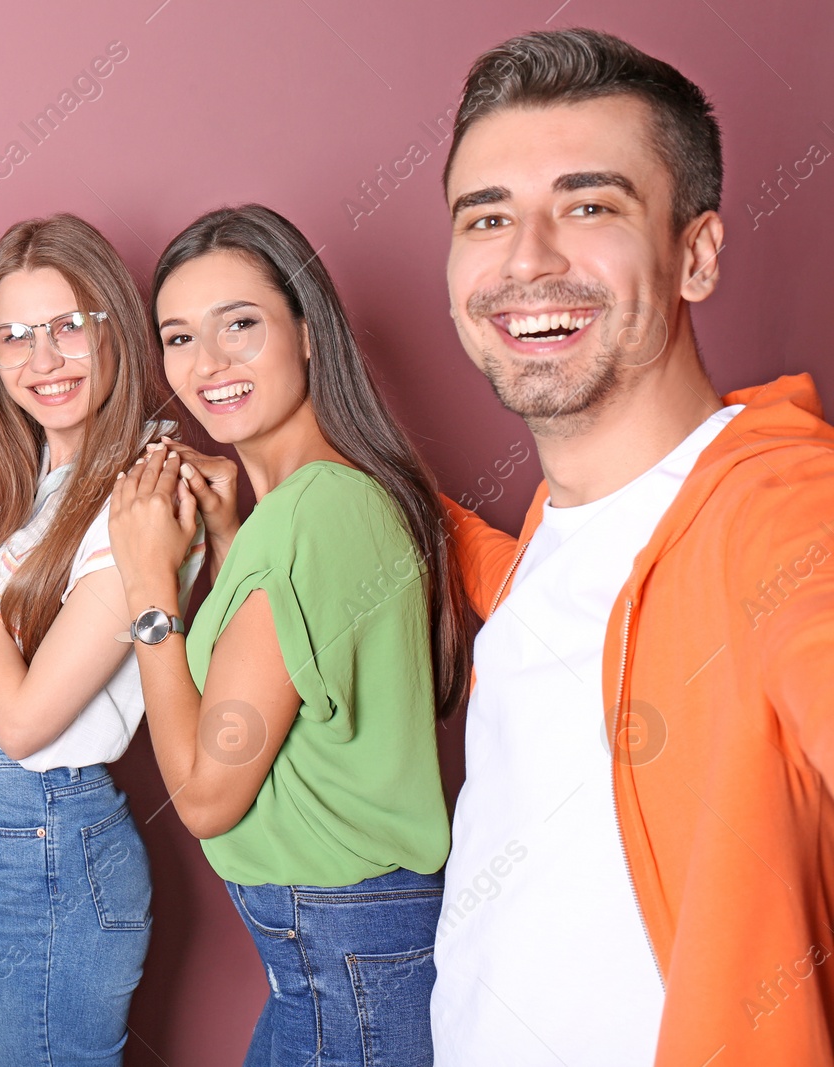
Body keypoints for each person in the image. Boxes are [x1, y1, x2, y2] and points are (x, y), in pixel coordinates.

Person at [431, 28, 834, 1067]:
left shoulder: (779, 510)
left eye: (588, 205)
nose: (526, 259)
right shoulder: (552, 531)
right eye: (488, 217)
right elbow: (521, 583)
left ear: (694, 254)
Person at [108, 204, 471, 1067]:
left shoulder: (313, 510)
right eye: (180, 336)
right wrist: (235, 538)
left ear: (309, 333)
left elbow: (204, 795)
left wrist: (150, 590)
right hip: (336, 953)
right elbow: (294, 676)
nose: (209, 363)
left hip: (343, 953)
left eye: (241, 324)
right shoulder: (317, 501)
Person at [0, 213, 204, 1067]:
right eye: (16, 336)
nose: (42, 360)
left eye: (68, 327)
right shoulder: (38, 480)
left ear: (116, 321)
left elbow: (22, 720)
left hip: (49, 838)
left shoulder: (143, 491)